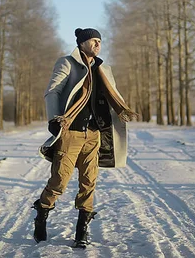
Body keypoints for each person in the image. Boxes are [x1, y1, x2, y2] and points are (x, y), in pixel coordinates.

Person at [33, 27, 137, 248]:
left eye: (100, 40)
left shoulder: (104, 68)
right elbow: (53, 91)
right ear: (81, 43)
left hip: (94, 133)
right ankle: (42, 212)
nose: (97, 44)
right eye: (93, 40)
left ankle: (82, 230)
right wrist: (54, 119)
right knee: (59, 181)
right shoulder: (67, 63)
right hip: (71, 131)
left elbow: (112, 95)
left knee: (89, 181)